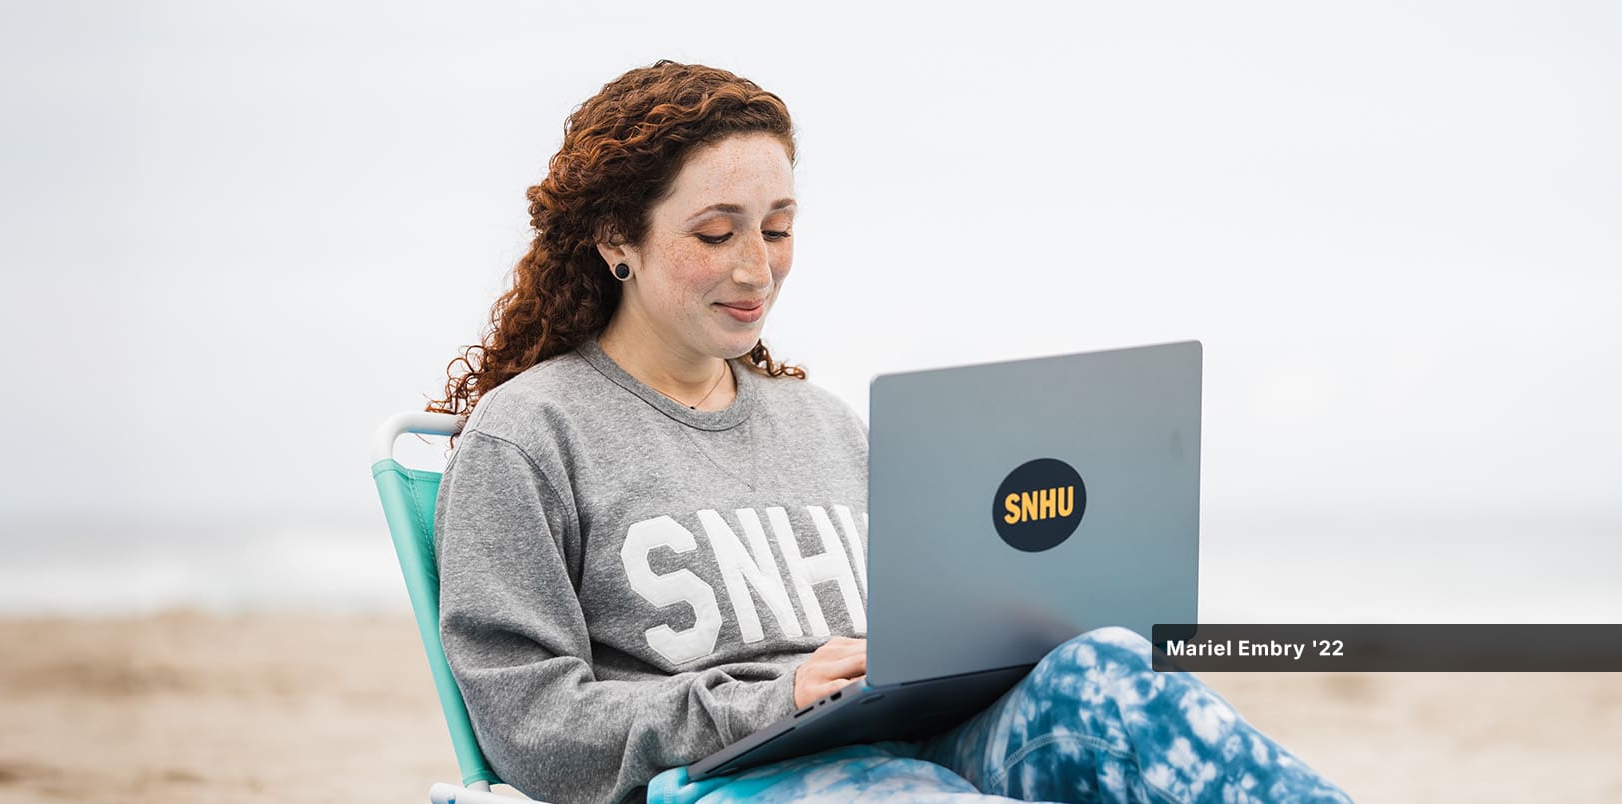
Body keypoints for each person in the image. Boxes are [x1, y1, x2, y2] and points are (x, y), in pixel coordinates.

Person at [428, 60, 1353, 804]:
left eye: (778, 228)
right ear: (615, 239)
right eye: (715, 234)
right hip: (730, 777)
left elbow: (922, 629)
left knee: (1108, 668)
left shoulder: (824, 424)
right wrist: (775, 699)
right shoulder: (532, 436)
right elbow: (530, 728)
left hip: (908, 739)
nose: (757, 269)